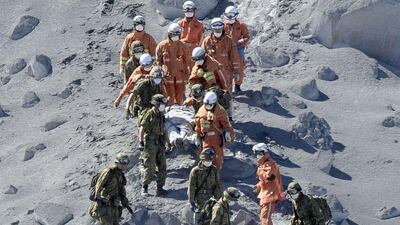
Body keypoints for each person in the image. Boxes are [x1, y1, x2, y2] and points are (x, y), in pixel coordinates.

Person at [195, 91, 234, 170]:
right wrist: (198, 136)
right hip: (206, 138)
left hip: (217, 137)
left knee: (218, 157)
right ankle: (204, 172)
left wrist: (227, 132)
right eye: (206, 104)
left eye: (210, 105)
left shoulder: (220, 111)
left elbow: (226, 124)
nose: (208, 106)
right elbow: (198, 125)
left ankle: (215, 173)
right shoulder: (201, 112)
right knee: (205, 155)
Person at [138, 94, 168, 197]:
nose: (163, 106)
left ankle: (160, 188)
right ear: (156, 104)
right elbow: (142, 128)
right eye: (161, 104)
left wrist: (167, 142)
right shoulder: (149, 114)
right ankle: (145, 187)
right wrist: (141, 142)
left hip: (160, 141)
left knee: (162, 165)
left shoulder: (161, 115)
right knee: (150, 166)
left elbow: (164, 129)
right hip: (150, 142)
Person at [89, 153, 130, 225]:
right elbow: (99, 184)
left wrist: (124, 199)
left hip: (114, 204)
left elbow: (121, 189)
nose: (124, 164)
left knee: (115, 222)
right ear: (117, 162)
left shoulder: (120, 175)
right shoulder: (108, 172)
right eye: (122, 161)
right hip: (104, 203)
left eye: (126, 162)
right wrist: (98, 197)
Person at [202, 17, 240, 94]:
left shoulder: (229, 41)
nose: (217, 30)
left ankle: (227, 105)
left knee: (226, 94)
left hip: (226, 71)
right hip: (211, 73)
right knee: (211, 93)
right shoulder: (207, 41)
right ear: (212, 29)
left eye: (219, 28)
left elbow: (234, 57)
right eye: (215, 28)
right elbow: (202, 57)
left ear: (223, 28)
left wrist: (236, 71)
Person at [156, 23, 189, 105]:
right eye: (173, 34)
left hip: (180, 76)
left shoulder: (183, 46)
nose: (175, 36)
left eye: (177, 34)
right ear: (169, 34)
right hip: (167, 77)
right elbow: (158, 62)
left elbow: (188, 62)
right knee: (168, 97)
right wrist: (160, 75)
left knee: (180, 98)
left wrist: (187, 76)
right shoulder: (162, 46)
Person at [253, 143, 285, 225]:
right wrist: (258, 186)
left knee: (265, 218)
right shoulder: (264, 164)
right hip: (266, 193)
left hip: (270, 194)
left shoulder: (270, 163)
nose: (256, 155)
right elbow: (265, 180)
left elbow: (270, 177)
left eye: (257, 153)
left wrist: (261, 173)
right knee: (263, 217)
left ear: (262, 153)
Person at [188, 148, 222, 224]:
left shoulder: (214, 170)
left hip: (211, 198)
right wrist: (191, 201)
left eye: (210, 160)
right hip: (199, 199)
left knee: (211, 218)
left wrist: (219, 198)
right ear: (202, 159)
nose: (209, 162)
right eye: (207, 160)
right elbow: (191, 187)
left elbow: (218, 185)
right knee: (198, 218)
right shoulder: (195, 171)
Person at [223, 6, 250, 92]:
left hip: (238, 48)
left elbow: (247, 36)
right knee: (225, 66)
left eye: (232, 14)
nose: (230, 17)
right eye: (228, 15)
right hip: (227, 48)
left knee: (239, 67)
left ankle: (237, 85)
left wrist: (241, 41)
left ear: (236, 14)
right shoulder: (223, 25)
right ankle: (227, 85)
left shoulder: (241, 25)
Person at [178, 0, 204, 73]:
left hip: (194, 51)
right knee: (181, 71)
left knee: (194, 71)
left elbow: (201, 40)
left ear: (194, 10)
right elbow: (176, 40)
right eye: (187, 10)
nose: (189, 12)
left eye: (190, 10)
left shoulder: (199, 24)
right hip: (182, 50)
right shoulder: (179, 24)